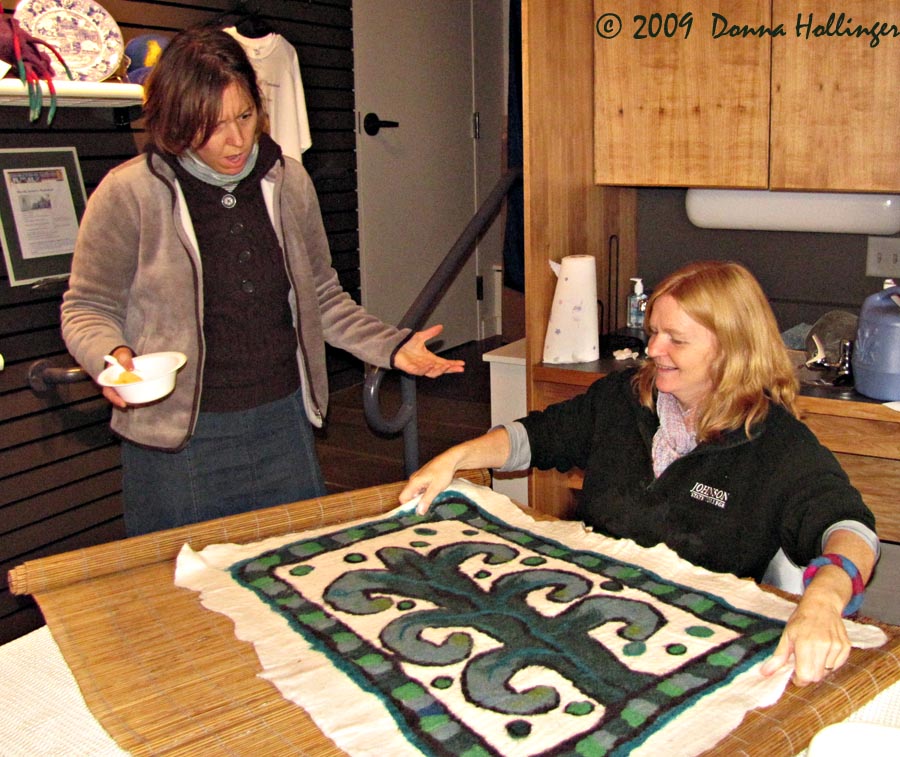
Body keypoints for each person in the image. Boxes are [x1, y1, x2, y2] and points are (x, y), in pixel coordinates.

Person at [61, 27, 463, 537]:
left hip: (282, 423)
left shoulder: (288, 181)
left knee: (292, 575)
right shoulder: (130, 192)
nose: (236, 140)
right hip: (175, 435)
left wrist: (392, 346)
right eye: (212, 126)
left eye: (245, 116)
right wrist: (109, 355)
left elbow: (321, 295)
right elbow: (86, 306)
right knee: (186, 592)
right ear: (178, 122)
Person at [400, 260, 878, 687]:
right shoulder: (623, 397)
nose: (653, 348)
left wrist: (823, 600)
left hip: (690, 644)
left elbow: (848, 527)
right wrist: (459, 457)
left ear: (732, 349)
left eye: (676, 339)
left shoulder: (775, 443)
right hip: (585, 613)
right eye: (653, 332)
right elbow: (539, 436)